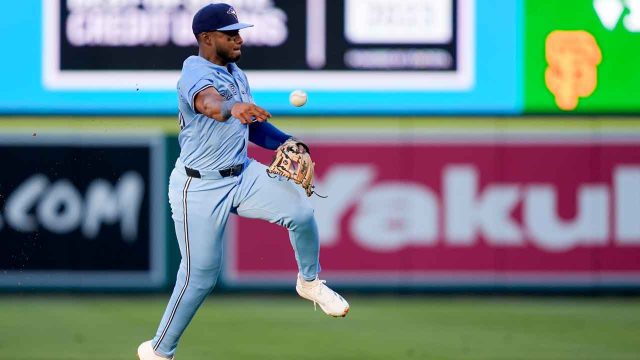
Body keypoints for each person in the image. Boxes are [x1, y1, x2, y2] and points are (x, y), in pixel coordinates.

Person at [137, 3, 349, 359]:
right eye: (230, 33)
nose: (239, 39)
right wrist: (231, 108)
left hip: (242, 172)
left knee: (300, 211)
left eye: (239, 32)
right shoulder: (194, 71)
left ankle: (309, 282)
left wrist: (285, 141)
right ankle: (159, 351)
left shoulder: (236, 73)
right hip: (198, 186)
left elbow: (250, 123)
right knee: (199, 277)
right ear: (206, 38)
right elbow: (208, 103)